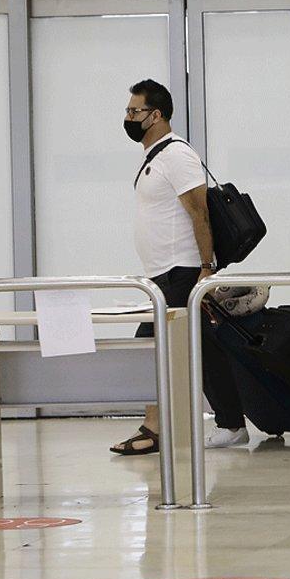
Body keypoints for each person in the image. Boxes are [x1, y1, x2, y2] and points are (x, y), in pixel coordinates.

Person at [109, 79, 247, 455]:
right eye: (127, 111)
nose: (128, 117)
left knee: (150, 346)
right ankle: (232, 423)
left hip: (181, 271)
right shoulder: (156, 156)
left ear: (156, 115)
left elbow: (199, 212)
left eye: (134, 111)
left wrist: (206, 267)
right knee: (201, 348)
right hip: (163, 272)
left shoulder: (177, 155)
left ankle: (155, 429)